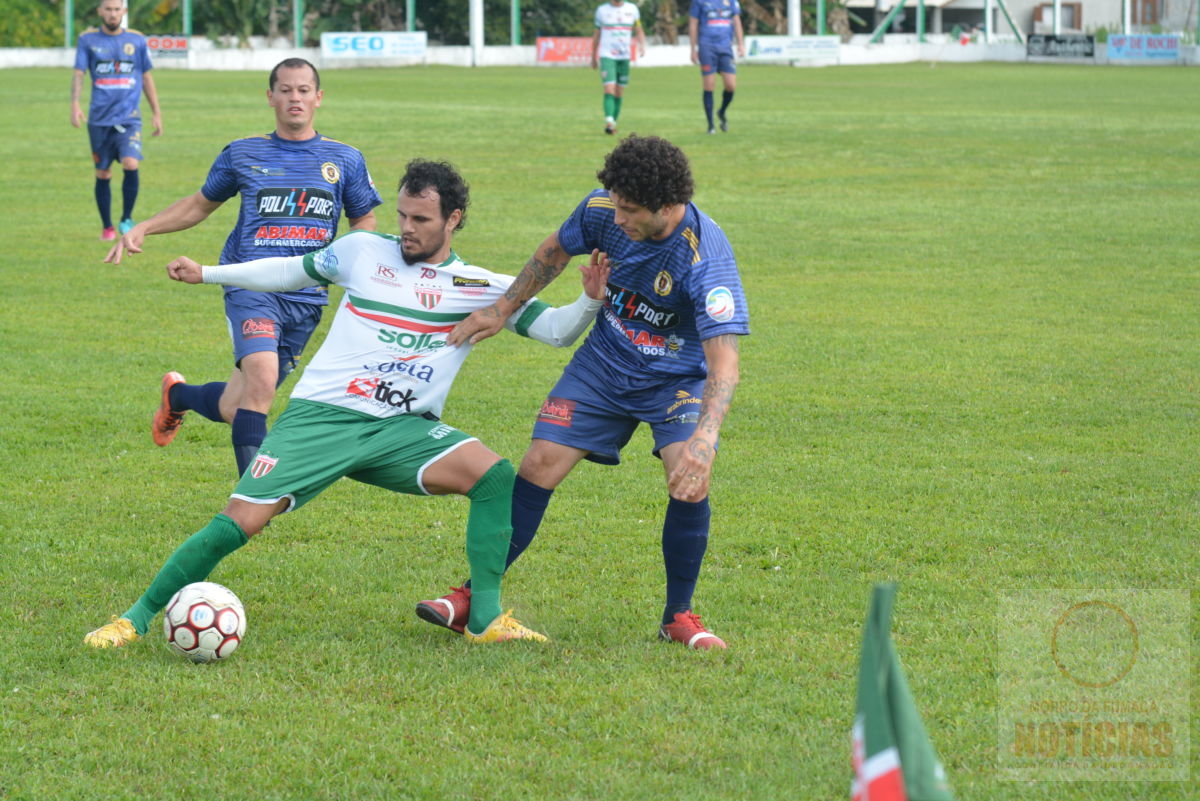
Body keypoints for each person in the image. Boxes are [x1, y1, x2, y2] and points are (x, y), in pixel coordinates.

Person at [84, 159, 609, 649]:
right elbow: (290, 271)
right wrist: (209, 272)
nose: (406, 227)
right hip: (322, 419)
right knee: (237, 522)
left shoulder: (480, 287)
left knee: (494, 478)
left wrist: (589, 298)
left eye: (420, 218)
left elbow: (559, 332)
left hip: (403, 430)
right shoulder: (362, 251)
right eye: (402, 214)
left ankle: (485, 619)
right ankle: (134, 618)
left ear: (454, 219)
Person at [417, 135, 749, 650]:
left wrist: (705, 440)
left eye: (631, 210)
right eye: (615, 204)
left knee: (688, 479)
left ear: (667, 207)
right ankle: (471, 596)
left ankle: (677, 617)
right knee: (538, 463)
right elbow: (552, 252)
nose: (617, 219)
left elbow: (724, 359)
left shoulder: (705, 258)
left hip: (674, 382)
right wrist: (500, 310)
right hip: (602, 366)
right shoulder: (602, 210)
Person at [105, 58, 383, 479]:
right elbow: (200, 204)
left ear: (318, 98)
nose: (295, 98)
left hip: (306, 295)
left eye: (304, 90)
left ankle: (177, 396)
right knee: (262, 380)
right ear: (270, 97)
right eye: (286, 90)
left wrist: (352, 266)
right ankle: (253, 499)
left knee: (242, 404)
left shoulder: (344, 159)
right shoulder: (243, 152)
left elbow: (364, 220)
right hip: (249, 285)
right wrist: (145, 226)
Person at [71, 0, 163, 241]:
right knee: (103, 173)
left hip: (129, 118)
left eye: (117, 9)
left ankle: (126, 219)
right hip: (99, 120)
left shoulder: (137, 40)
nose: (112, 14)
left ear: (124, 12)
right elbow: (79, 74)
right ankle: (107, 226)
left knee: (131, 163)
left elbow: (146, 76)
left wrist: (156, 112)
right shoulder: (87, 40)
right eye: (108, 9)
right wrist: (75, 104)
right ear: (100, 11)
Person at [688, 0, 745, 134]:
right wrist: (693, 48)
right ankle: (711, 125)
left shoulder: (731, 2)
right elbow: (693, 24)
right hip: (707, 46)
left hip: (726, 47)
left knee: (731, 85)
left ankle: (722, 112)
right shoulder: (699, 2)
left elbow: (737, 22)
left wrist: (741, 44)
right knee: (709, 85)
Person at [591, 0, 647, 136]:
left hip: (624, 56)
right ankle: (609, 121)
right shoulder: (602, 10)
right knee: (609, 88)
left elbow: (639, 30)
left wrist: (642, 45)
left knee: (619, 92)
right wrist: (593, 56)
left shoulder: (632, 9)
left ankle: (613, 123)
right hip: (607, 55)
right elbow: (596, 35)